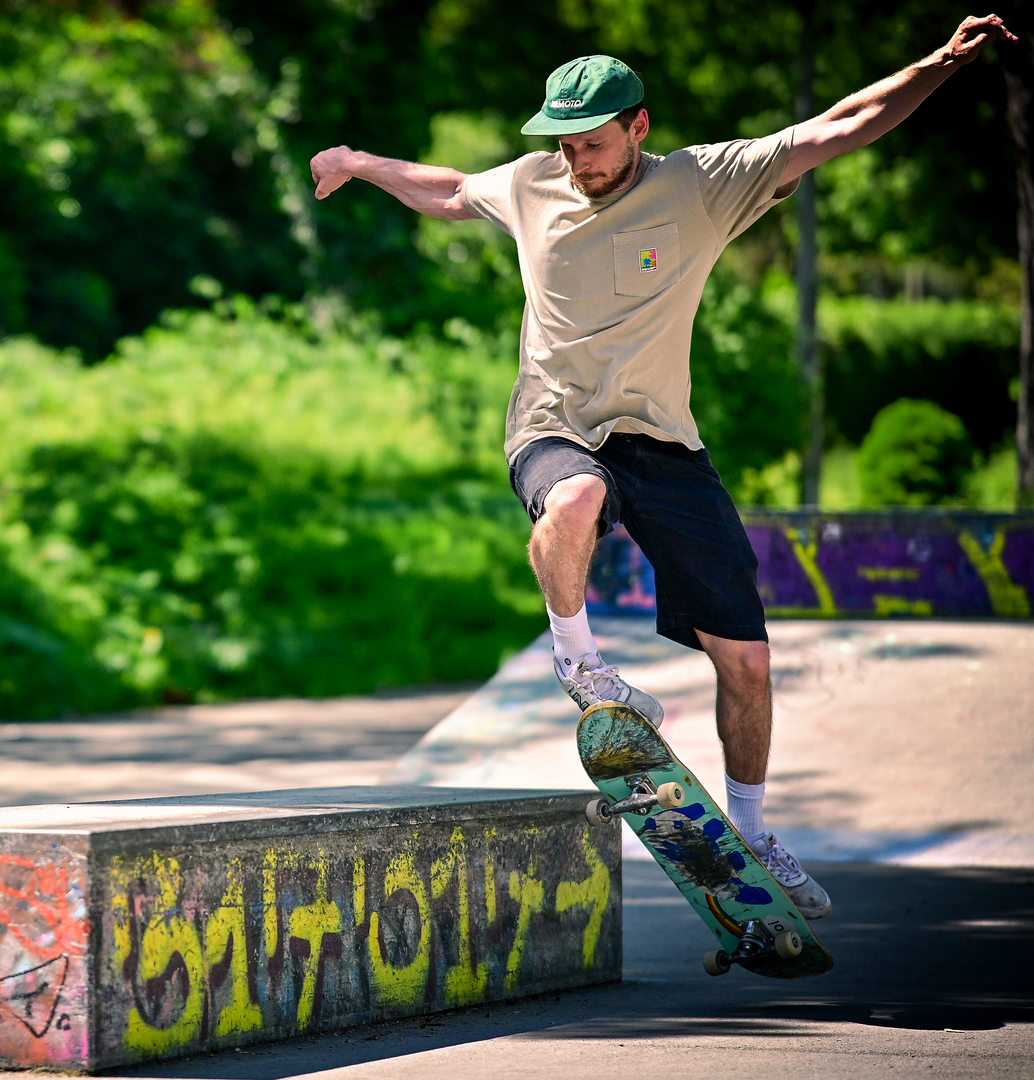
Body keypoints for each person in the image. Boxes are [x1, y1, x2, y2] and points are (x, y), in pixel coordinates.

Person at [308, 14, 1017, 920]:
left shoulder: (706, 181)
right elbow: (449, 189)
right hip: (555, 422)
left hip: (666, 442)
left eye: (594, 145)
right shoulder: (533, 181)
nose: (576, 163)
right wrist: (361, 162)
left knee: (749, 663)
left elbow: (841, 127)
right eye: (565, 146)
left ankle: (755, 830)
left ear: (639, 126)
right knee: (573, 496)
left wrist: (940, 63)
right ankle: (583, 665)